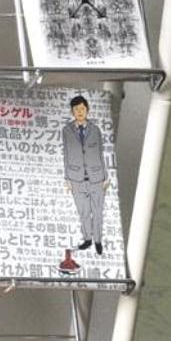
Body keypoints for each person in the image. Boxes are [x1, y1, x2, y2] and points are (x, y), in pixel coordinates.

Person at [61, 94, 109, 273]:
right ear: (72, 111)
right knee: (83, 212)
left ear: (87, 110)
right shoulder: (67, 130)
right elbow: (66, 154)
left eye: (82, 109)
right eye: (76, 109)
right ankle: (87, 239)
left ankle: (98, 241)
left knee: (98, 212)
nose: (79, 112)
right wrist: (67, 178)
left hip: (96, 177)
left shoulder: (95, 130)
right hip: (76, 178)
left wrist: (105, 177)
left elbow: (100, 152)